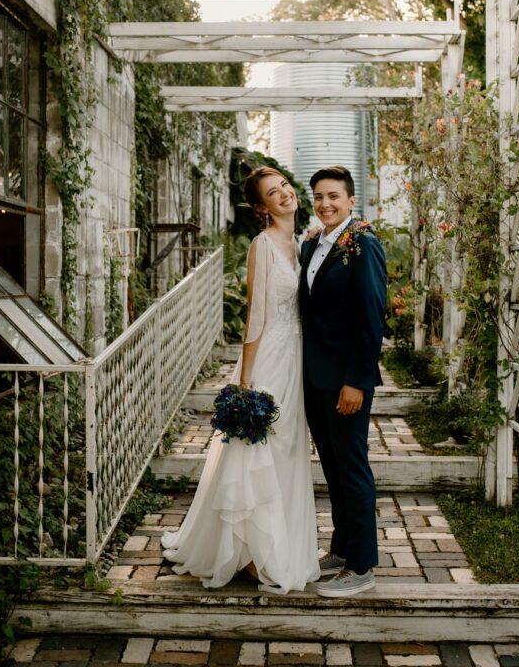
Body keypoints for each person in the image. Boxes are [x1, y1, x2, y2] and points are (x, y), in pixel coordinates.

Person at [161, 166, 320, 594]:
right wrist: (246, 377)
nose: (285, 194)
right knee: (257, 450)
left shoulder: (305, 243)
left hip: (296, 358)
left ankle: (275, 542)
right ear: (260, 208)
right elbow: (257, 314)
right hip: (267, 359)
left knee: (286, 451)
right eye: (273, 192)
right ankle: (249, 553)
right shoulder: (262, 246)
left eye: (285, 185)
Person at [300, 166, 387, 598]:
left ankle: (362, 565)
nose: (325, 204)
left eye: (333, 196)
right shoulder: (313, 244)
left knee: (352, 469)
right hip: (315, 377)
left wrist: (357, 380)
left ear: (351, 201)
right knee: (333, 469)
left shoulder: (363, 244)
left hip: (347, 380)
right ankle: (341, 548)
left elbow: (371, 318)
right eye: (318, 196)